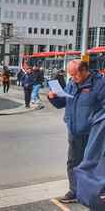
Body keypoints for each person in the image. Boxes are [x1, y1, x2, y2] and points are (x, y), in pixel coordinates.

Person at [48, 60, 105, 203]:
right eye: (70, 75)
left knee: (92, 163)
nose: (72, 78)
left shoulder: (100, 84)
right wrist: (53, 98)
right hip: (74, 130)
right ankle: (74, 191)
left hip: (93, 133)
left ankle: (92, 192)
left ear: (84, 70)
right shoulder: (72, 83)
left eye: (75, 74)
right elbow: (63, 102)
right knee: (73, 162)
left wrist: (95, 121)